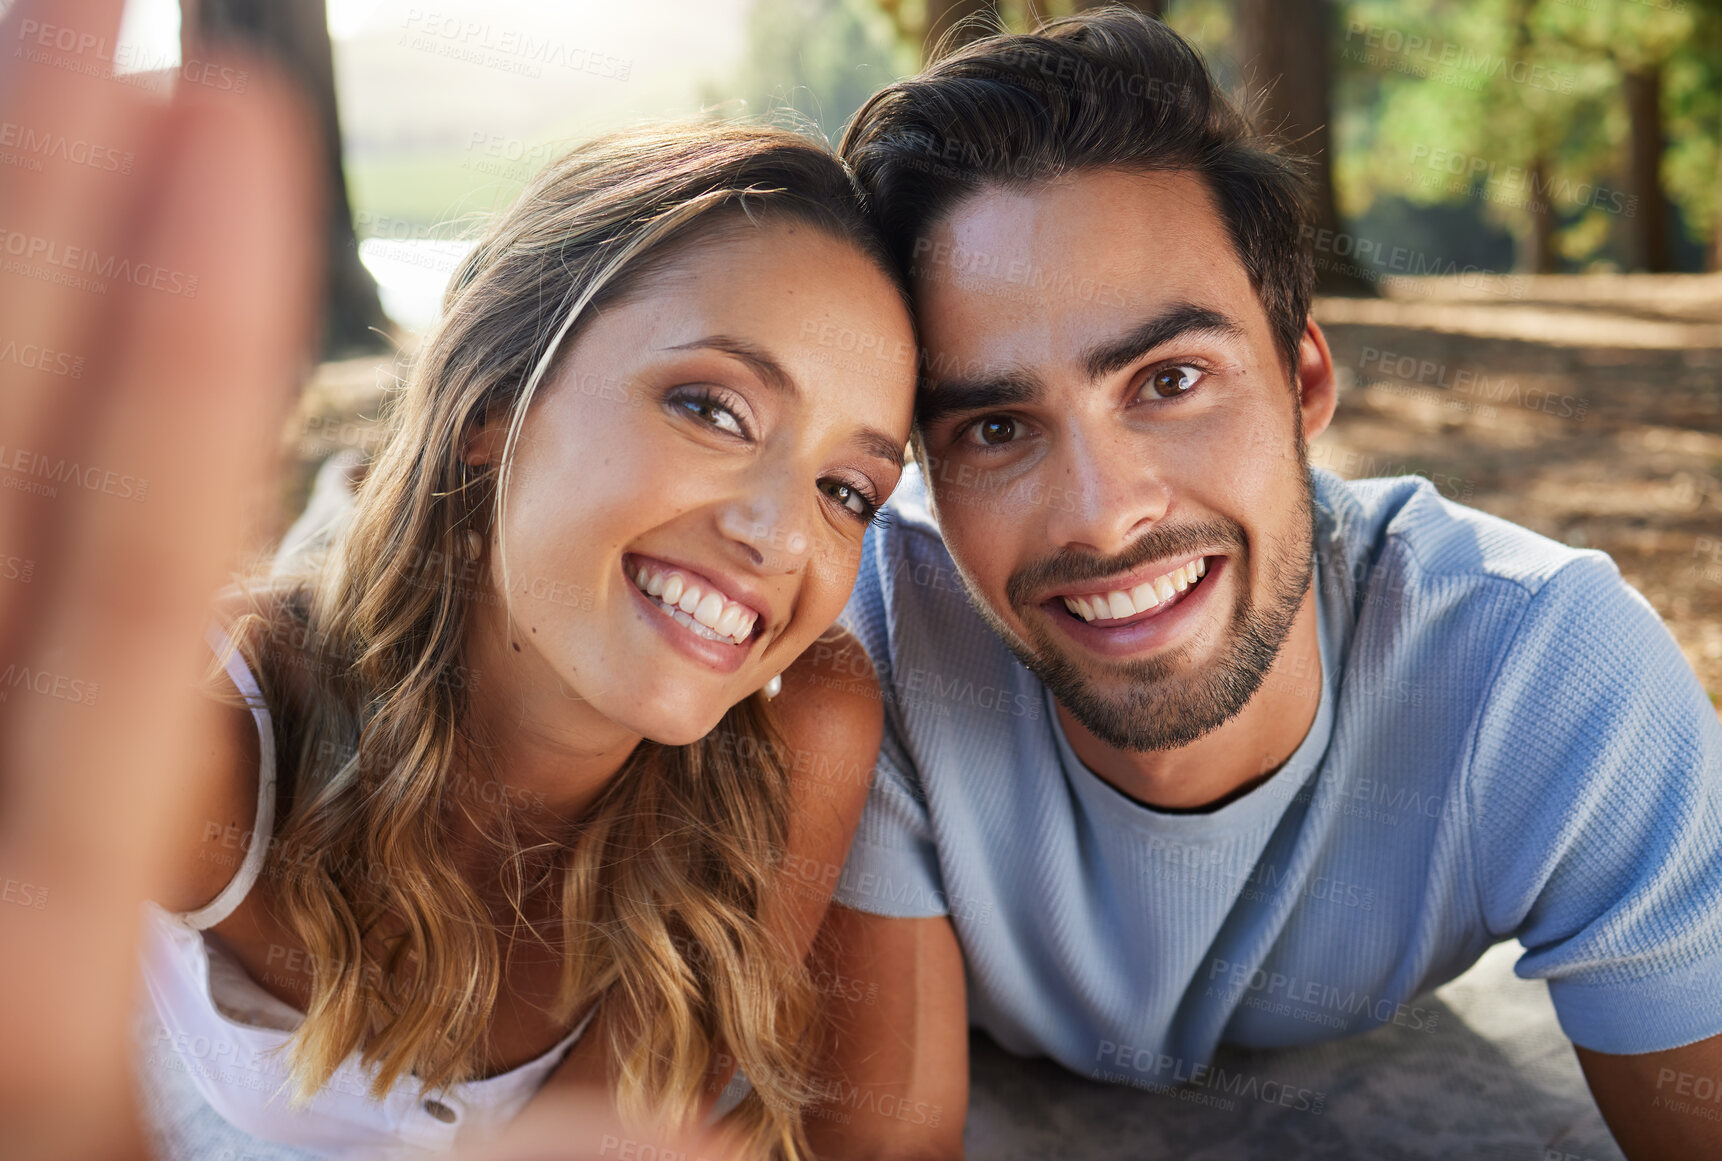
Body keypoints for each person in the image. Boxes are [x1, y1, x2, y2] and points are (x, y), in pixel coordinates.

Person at [800, 10, 1722, 1159]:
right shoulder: (864, 658)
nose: (1103, 512)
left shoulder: (1548, 670)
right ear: (925, 470)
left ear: (1304, 381)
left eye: (1171, 378)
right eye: (996, 426)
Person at [130, 120, 916, 1160]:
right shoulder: (212, 731)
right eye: (714, 410)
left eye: (846, 490)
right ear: (494, 406)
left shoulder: (802, 731)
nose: (778, 535)